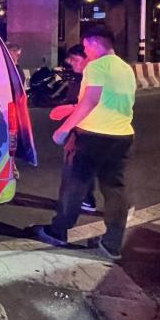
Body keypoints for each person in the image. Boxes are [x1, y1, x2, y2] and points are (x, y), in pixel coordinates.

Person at [33, 26, 136, 260]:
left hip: (92, 136)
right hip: (122, 136)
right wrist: (71, 107)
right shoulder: (125, 68)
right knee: (114, 189)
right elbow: (111, 101)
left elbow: (91, 100)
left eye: (87, 46)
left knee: (74, 184)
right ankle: (112, 244)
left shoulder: (96, 67)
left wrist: (64, 129)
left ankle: (58, 231)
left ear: (95, 43)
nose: (86, 51)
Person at [50, 44, 97, 212]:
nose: (71, 63)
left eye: (75, 59)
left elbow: (91, 104)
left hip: (85, 131)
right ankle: (84, 200)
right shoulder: (78, 78)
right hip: (79, 130)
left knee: (77, 168)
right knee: (81, 167)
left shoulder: (93, 80)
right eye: (70, 59)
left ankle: (74, 206)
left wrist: (70, 111)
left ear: (88, 60)